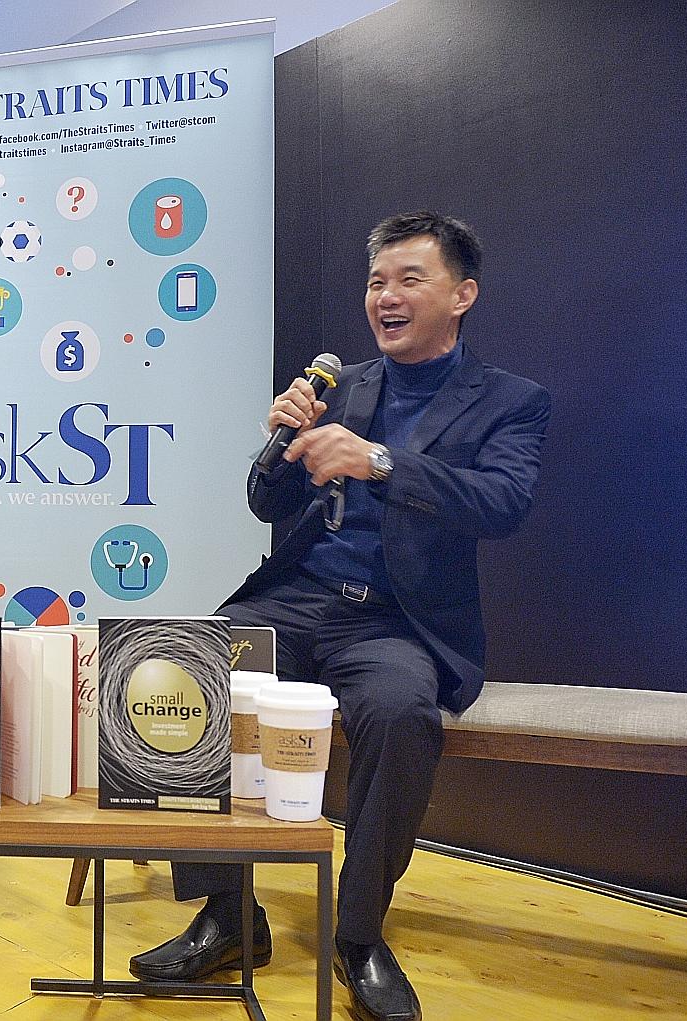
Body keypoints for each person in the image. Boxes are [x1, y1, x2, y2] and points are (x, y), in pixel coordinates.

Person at [129, 213, 550, 1021]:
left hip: (398, 621)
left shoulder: (511, 402)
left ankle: (358, 934)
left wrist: (381, 460)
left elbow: (504, 503)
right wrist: (285, 439)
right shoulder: (341, 385)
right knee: (183, 666)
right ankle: (227, 914)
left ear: (462, 294)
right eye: (375, 282)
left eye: (407, 280)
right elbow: (264, 502)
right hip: (296, 600)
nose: (384, 297)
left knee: (399, 713)